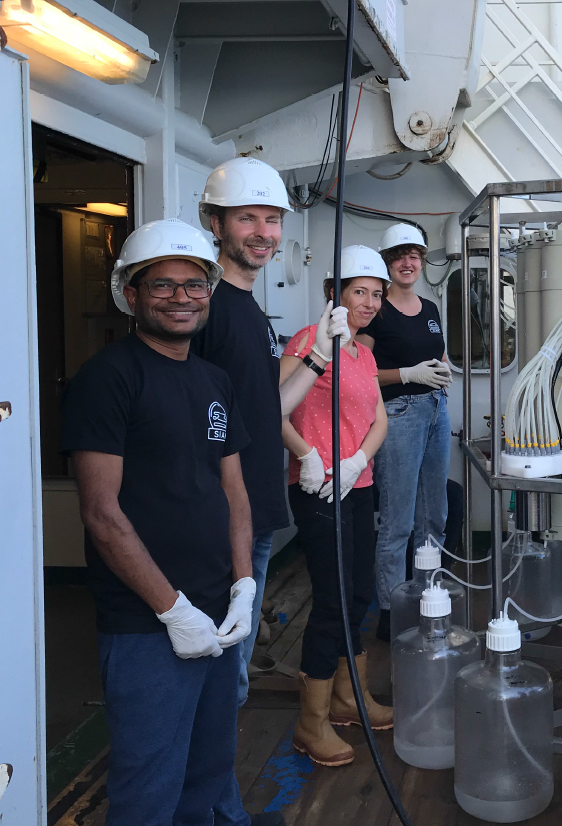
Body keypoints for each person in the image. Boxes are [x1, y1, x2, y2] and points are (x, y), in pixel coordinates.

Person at [60, 219, 280, 826]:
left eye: (194, 285)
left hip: (216, 612)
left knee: (209, 768)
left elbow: (233, 490)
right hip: (146, 624)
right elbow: (103, 514)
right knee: (148, 783)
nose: (181, 297)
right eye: (162, 286)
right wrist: (172, 610)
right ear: (130, 295)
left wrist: (243, 585)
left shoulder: (214, 381)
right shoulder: (107, 379)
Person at [193, 156, 352, 714]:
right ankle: (212, 800)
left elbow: (265, 412)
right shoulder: (208, 308)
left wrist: (318, 356)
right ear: (216, 224)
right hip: (224, 516)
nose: (264, 234)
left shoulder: (246, 309)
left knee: (232, 662)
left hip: (256, 509)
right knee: (223, 666)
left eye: (272, 220)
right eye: (247, 219)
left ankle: (219, 797)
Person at [280, 245, 393, 766]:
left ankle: (350, 699)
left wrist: (356, 462)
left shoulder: (364, 353)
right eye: (359, 292)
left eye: (376, 294)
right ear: (335, 292)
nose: (368, 302)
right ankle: (312, 723)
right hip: (318, 487)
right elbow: (272, 408)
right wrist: (306, 456)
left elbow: (380, 421)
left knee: (360, 591)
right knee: (332, 599)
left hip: (357, 482)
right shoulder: (309, 341)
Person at [356, 223, 451, 641]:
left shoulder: (429, 308)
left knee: (435, 515)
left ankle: (428, 597)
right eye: (398, 256)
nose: (407, 262)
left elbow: (439, 353)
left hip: (436, 411)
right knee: (397, 521)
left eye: (413, 254)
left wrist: (444, 371)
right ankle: (393, 613)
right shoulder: (378, 313)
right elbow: (360, 373)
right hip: (398, 414)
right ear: (387, 264)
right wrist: (408, 374)